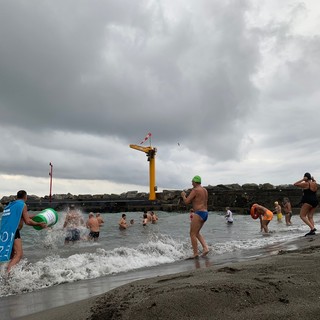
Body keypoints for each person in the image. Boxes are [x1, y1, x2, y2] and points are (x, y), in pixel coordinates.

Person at [6, 190, 47, 273]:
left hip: (5, 232)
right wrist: (39, 224)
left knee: (12, 256)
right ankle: (7, 276)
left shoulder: (12, 205)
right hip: (13, 231)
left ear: (17, 196)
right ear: (25, 197)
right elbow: (27, 221)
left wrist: (36, 216)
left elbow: (23, 217)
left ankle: (9, 273)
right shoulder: (22, 204)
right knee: (18, 255)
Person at [181, 175, 209, 258]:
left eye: (192, 181)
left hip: (199, 213)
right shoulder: (204, 190)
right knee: (196, 233)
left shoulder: (195, 190)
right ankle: (205, 248)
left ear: (195, 182)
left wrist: (183, 195)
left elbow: (186, 201)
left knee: (192, 233)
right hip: (205, 213)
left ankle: (195, 253)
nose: (191, 183)